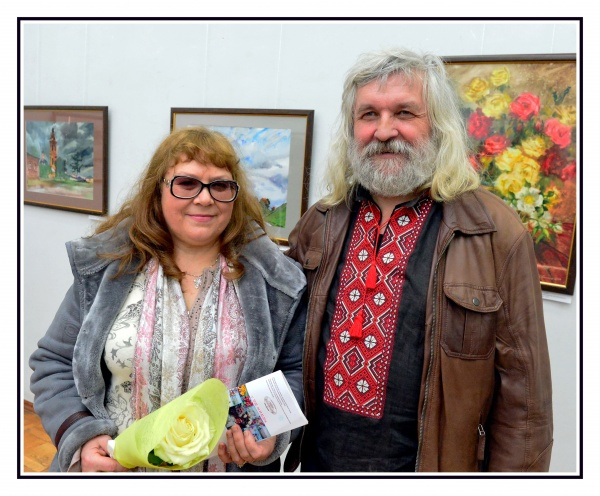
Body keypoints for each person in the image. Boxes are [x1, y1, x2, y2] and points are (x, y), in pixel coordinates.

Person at [284, 48, 553, 472]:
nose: (383, 130)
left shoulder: (494, 233)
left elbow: (526, 403)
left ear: (439, 124)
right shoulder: (320, 222)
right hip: (320, 467)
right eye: (368, 115)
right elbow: (281, 350)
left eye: (404, 113)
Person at [29, 127, 307, 473]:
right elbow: (54, 362)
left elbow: (296, 372)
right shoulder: (109, 268)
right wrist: (81, 435)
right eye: (186, 183)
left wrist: (264, 430)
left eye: (220, 186)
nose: (204, 198)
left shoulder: (275, 284)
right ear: (157, 189)